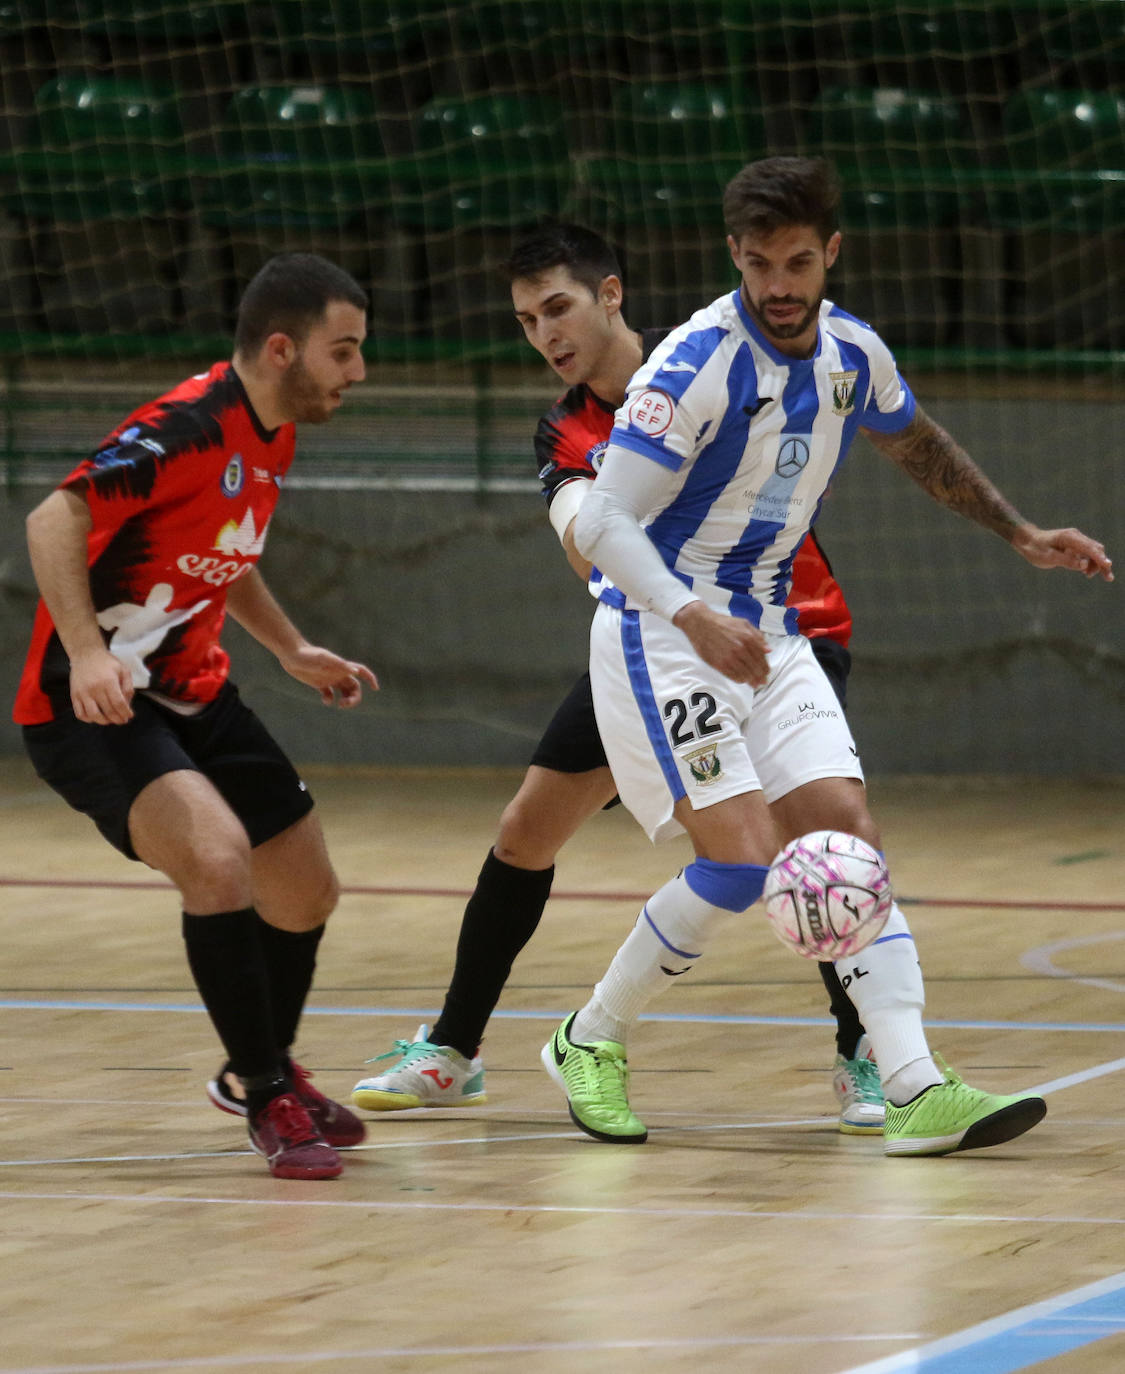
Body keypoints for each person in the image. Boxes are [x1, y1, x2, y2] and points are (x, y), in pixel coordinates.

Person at [541, 157, 1113, 1154]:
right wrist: (691, 617)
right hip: (661, 635)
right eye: (760, 263)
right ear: (735, 257)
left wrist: (1019, 533)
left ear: (830, 253)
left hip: (766, 631)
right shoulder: (691, 367)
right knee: (742, 867)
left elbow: (917, 440)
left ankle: (912, 1084)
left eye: (798, 261)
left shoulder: (852, 354)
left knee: (849, 838)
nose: (779, 284)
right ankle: (588, 1038)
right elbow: (605, 525)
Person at [352, 222, 883, 1135]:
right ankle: (452, 1050)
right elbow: (585, 545)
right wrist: (644, 575)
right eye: (525, 321)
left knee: (816, 839)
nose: (545, 334)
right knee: (526, 831)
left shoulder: (703, 366)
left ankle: (862, 1056)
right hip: (658, 645)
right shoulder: (565, 429)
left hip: (782, 630)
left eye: (557, 307)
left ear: (609, 294)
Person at [14, 252, 379, 1181]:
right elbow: (53, 517)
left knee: (304, 886)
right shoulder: (184, 429)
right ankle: (266, 1097)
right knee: (217, 860)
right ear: (282, 348)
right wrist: (87, 652)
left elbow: (225, 546)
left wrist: (290, 649)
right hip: (88, 705)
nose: (358, 372)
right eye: (343, 352)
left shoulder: (273, 431)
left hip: (194, 688)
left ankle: (261, 1067)